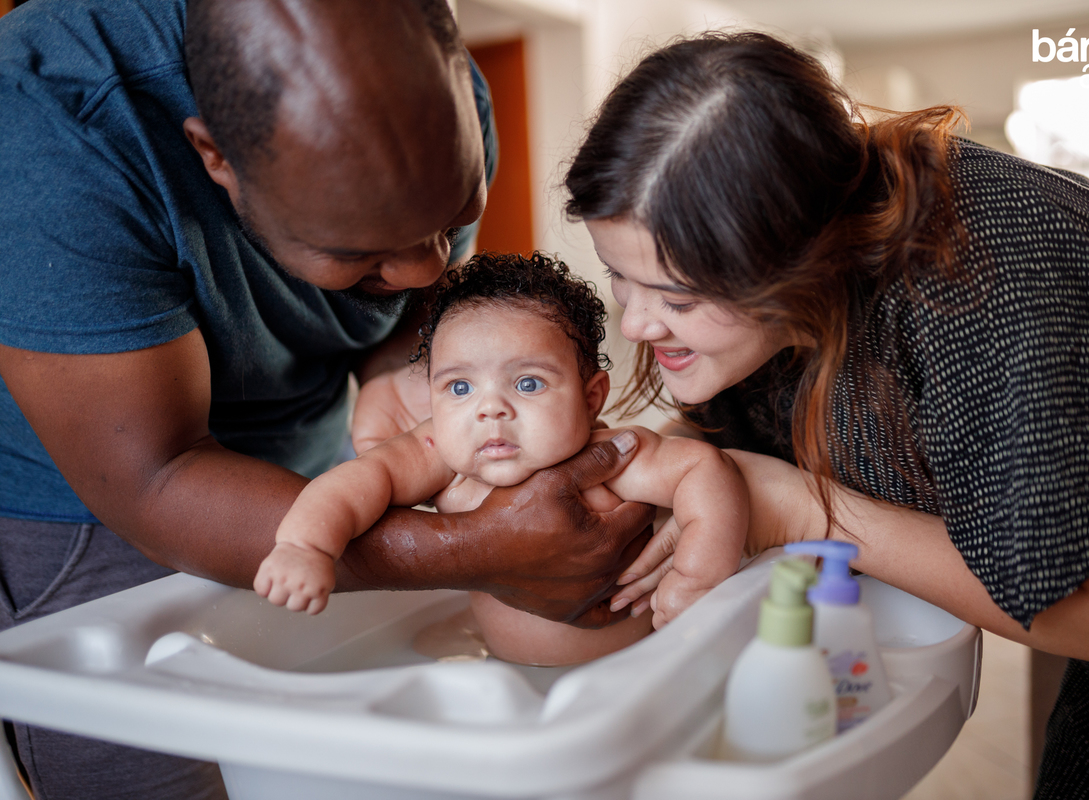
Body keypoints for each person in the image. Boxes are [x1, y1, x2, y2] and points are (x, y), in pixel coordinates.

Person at [0, 1, 653, 797]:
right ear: (214, 156)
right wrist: (474, 548)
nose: (422, 274)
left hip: (315, 451)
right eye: (362, 254)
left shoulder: (430, 86)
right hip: (100, 502)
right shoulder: (52, 124)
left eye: (452, 222)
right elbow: (154, 476)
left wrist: (394, 371)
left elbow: (423, 298)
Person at [565, 31, 1089, 799]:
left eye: (680, 299)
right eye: (618, 278)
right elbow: (746, 437)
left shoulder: (989, 285)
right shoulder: (799, 272)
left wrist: (804, 513)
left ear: (798, 256)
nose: (634, 324)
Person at [254, 252, 748, 664]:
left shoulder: (611, 456)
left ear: (591, 397)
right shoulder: (439, 454)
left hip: (622, 677)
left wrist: (697, 578)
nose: (490, 408)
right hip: (496, 669)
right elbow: (355, 481)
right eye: (460, 387)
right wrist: (305, 547)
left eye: (528, 383)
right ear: (430, 395)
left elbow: (706, 469)